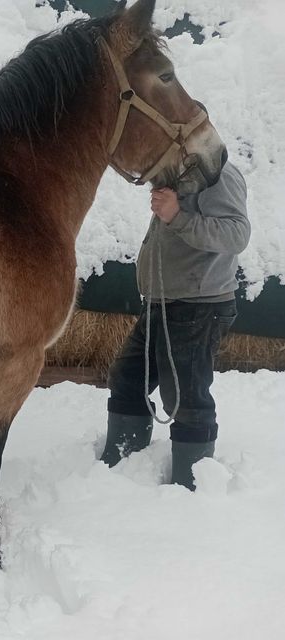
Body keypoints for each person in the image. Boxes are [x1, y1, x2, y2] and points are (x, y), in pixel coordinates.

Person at [100, 160, 250, 489]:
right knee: (127, 378)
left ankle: (190, 487)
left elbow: (237, 234)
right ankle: (121, 468)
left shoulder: (218, 174)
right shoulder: (181, 172)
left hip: (197, 304)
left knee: (184, 399)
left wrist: (176, 216)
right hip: (163, 302)